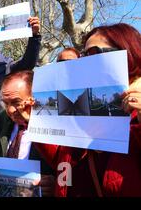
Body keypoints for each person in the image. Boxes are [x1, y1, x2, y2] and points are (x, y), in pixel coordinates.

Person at [36, 23, 141, 197]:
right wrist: (37, 120)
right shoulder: (83, 105)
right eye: (83, 56)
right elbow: (65, 163)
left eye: (93, 54)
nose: (84, 63)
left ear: (128, 53)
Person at [0, 70, 55, 196]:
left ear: (33, 98)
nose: (10, 110)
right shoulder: (2, 120)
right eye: (6, 103)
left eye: (16, 102)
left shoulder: (54, 125)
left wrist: (56, 183)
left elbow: (69, 166)